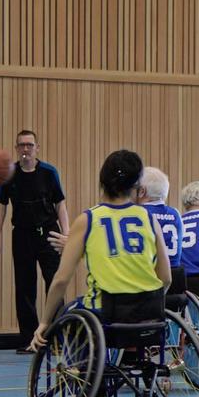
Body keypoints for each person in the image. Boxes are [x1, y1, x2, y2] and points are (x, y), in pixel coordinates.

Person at [30, 149, 171, 351]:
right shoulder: (149, 219)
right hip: (148, 311)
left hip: (106, 311)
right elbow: (165, 278)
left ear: (102, 182)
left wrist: (44, 323)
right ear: (136, 188)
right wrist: (147, 303)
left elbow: (61, 279)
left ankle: (78, 368)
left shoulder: (88, 220)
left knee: (69, 310)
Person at [0, 130, 70, 354]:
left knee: (55, 284)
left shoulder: (49, 172)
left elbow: (60, 204)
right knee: (24, 288)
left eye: (30, 145)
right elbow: (0, 207)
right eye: (22, 145)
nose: (26, 149)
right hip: (22, 235)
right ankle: (28, 339)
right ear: (16, 149)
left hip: (49, 234)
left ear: (37, 148)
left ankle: (56, 339)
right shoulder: (9, 174)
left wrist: (67, 235)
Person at [136, 167, 185, 269]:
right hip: (176, 272)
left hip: (153, 273)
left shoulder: (139, 213)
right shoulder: (176, 213)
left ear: (142, 191)